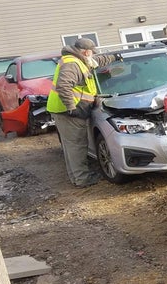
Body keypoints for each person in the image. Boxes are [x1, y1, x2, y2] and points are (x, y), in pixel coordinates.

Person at [47, 38, 121, 187]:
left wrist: (114, 57)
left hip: (62, 110)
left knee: (71, 146)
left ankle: (76, 178)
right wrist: (71, 107)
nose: (93, 55)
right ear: (86, 52)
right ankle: (82, 179)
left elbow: (96, 61)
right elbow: (63, 86)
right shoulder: (72, 64)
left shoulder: (78, 60)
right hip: (68, 111)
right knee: (77, 146)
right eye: (92, 52)